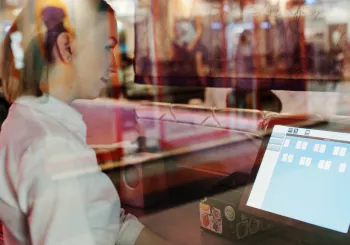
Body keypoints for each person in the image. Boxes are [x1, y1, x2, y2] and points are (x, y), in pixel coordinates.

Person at [0, 0, 170, 244]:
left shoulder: (29, 122)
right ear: (67, 47)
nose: (114, 64)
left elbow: (104, 223)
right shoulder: (51, 146)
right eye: (106, 47)